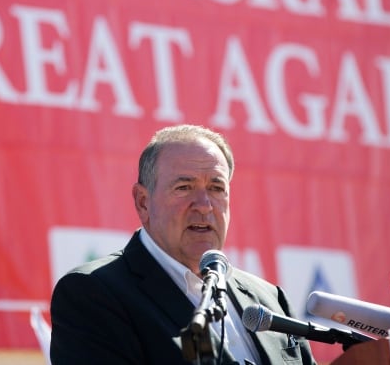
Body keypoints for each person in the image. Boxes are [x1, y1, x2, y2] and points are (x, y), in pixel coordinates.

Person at [50, 124, 317, 365]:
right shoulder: (92, 293)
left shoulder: (269, 300)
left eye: (216, 188)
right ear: (143, 202)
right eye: (184, 187)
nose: (204, 205)